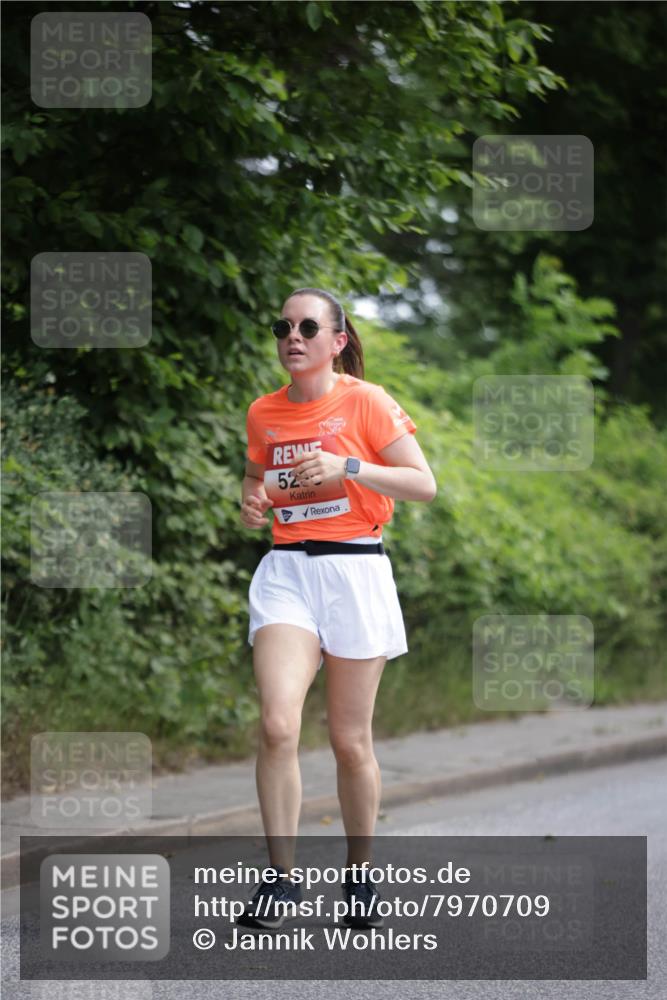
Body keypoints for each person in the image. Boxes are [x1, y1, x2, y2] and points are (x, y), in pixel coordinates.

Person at [237, 287, 437, 930]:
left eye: (307, 327)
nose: (292, 336)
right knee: (276, 725)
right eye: (283, 326)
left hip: (356, 570)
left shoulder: (366, 401)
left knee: (349, 742)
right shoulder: (263, 412)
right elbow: (256, 475)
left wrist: (349, 464)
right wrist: (252, 499)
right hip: (288, 572)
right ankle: (282, 880)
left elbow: (423, 484)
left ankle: (359, 874)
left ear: (337, 339)